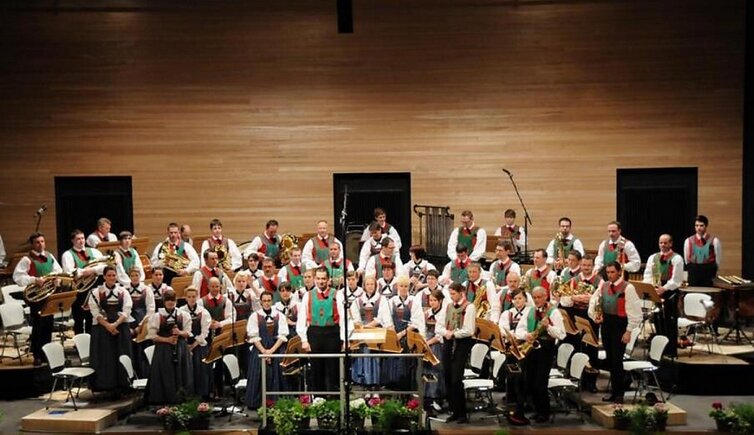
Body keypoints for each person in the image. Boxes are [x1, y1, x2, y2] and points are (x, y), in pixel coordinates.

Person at [588, 262, 642, 403]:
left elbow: (635, 312)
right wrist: (595, 316)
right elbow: (594, 301)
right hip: (607, 324)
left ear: (619, 272)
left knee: (617, 360)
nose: (610, 275)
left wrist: (628, 331)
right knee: (610, 359)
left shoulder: (628, 288)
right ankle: (615, 390)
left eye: (612, 272)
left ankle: (619, 394)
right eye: (608, 272)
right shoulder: (604, 286)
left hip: (620, 325)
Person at [514, 286, 566, 423]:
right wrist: (526, 335)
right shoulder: (529, 310)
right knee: (529, 381)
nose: (537, 300)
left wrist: (548, 326)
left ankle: (544, 412)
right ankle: (536, 410)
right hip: (531, 349)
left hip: (545, 350)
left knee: (540, 383)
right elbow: (519, 329)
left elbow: (561, 334)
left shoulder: (554, 312)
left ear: (545, 296)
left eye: (539, 297)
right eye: (535, 297)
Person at [13, 232, 63, 365]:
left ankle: (46, 354)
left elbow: (58, 271)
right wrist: (34, 280)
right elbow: (17, 277)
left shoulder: (49, 256)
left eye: (42, 241)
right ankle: (37, 355)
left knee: (48, 325)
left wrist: (57, 279)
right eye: (37, 242)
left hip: (49, 295)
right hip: (36, 297)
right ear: (32, 244)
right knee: (38, 326)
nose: (40, 244)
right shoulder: (26, 259)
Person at [296, 267, 347, 393]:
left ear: (328, 279)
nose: (321, 281)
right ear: (314, 279)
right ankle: (319, 398)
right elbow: (302, 318)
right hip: (314, 334)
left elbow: (344, 318)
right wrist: (304, 340)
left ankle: (335, 399)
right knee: (316, 368)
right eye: (318, 278)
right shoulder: (308, 295)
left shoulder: (337, 294)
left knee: (333, 368)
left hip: (332, 334)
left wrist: (345, 339)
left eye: (323, 278)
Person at [436, 282, 476, 424]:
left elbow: (469, 330)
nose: (451, 296)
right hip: (448, 343)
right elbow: (438, 326)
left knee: (456, 379)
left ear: (461, 293)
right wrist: (446, 332)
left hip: (461, 344)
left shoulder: (469, 307)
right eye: (450, 294)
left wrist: (453, 334)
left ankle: (462, 413)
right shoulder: (448, 306)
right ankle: (453, 410)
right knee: (447, 376)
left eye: (453, 294)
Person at [88, 266, 133, 392]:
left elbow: (127, 311)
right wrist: (108, 326)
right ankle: (105, 385)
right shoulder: (96, 292)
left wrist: (115, 325)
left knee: (121, 354)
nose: (112, 278)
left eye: (114, 275)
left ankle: (123, 384)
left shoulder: (124, 292)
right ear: (104, 277)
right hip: (102, 329)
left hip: (120, 327)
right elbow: (95, 313)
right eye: (109, 275)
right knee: (105, 357)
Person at [145, 289, 193, 404]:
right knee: (166, 374)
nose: (170, 302)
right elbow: (152, 336)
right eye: (168, 300)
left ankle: (181, 398)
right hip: (163, 349)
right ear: (164, 301)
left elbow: (188, 332)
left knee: (182, 373)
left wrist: (179, 332)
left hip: (180, 348)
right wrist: (167, 340)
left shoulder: (183, 315)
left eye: (172, 300)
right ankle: (165, 399)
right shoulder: (157, 316)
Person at [245, 291, 288, 409]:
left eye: (269, 301)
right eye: (264, 301)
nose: (267, 303)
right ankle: (256, 403)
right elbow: (254, 337)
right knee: (258, 375)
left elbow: (282, 336)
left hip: (276, 349)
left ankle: (276, 403)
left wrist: (271, 351)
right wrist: (264, 352)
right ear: (260, 302)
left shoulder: (279, 315)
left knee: (277, 376)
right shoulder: (254, 316)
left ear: (272, 301)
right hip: (260, 350)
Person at [559, 255, 602, 371]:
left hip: (591, 317)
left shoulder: (600, 281)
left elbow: (602, 299)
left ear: (593, 266)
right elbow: (564, 299)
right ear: (580, 265)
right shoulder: (574, 280)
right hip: (576, 315)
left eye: (589, 265)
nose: (586, 267)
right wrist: (574, 298)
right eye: (584, 265)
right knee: (577, 345)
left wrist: (591, 299)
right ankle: (576, 373)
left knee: (591, 346)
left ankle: (591, 376)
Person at [643, 234, 684, 357]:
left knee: (669, 323)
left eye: (665, 243)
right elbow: (647, 274)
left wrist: (664, 289)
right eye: (661, 242)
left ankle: (671, 351)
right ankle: (660, 350)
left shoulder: (677, 258)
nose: (663, 245)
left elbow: (676, 280)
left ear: (671, 244)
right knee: (657, 320)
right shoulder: (653, 257)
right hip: (656, 290)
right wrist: (651, 287)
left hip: (670, 292)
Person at [61, 229, 107, 334]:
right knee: (79, 319)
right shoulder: (67, 254)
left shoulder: (94, 251)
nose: (81, 241)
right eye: (78, 239)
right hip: (78, 290)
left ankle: (92, 340)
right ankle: (79, 341)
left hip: (94, 288)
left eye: (82, 238)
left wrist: (92, 270)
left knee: (93, 317)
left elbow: (104, 266)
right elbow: (69, 271)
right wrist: (84, 272)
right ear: (72, 241)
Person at [350, 275, 392, 387]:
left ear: (375, 285)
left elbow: (381, 318)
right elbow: (355, 318)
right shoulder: (358, 300)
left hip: (376, 333)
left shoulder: (382, 299)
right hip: (362, 334)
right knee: (363, 357)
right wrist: (361, 328)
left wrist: (367, 327)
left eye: (372, 284)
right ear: (364, 286)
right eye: (367, 284)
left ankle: (375, 384)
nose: (370, 286)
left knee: (374, 358)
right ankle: (365, 384)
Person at [384, 277, 425, 389]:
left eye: (406, 286)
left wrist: (401, 334)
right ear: (397, 287)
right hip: (394, 335)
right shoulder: (391, 301)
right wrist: (393, 334)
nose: (403, 288)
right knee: (393, 362)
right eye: (401, 286)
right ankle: (393, 387)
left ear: (409, 287)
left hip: (408, 336)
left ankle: (406, 390)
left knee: (406, 363)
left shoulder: (414, 301)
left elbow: (416, 322)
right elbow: (387, 319)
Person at [197, 277, 235, 398]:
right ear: (208, 287)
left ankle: (220, 391)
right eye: (212, 286)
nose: (215, 289)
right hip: (207, 336)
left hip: (221, 336)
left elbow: (231, 318)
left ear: (220, 287)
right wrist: (208, 324)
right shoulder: (201, 302)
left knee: (220, 364)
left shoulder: (226, 301)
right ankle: (208, 391)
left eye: (217, 286)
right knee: (207, 364)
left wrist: (219, 324)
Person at [179, 286, 212, 399]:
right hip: (185, 344)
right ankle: (187, 395)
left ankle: (201, 394)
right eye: (189, 297)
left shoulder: (203, 312)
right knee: (186, 370)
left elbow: (205, 332)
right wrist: (186, 345)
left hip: (199, 344)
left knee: (200, 369)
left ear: (197, 297)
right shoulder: (181, 311)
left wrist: (193, 346)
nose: (192, 299)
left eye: (194, 297)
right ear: (185, 298)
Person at [126, 267, 156, 377]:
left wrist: (141, 325)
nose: (134, 278)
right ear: (129, 277)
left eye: (136, 275)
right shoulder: (125, 289)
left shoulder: (146, 290)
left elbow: (151, 309)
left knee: (142, 349)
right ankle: (132, 375)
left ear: (140, 276)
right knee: (131, 349)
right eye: (132, 275)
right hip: (129, 322)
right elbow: (123, 309)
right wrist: (128, 325)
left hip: (143, 322)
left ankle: (145, 375)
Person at [423, 289, 446, 415]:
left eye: (434, 300)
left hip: (437, 345)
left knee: (436, 370)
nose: (432, 303)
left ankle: (437, 398)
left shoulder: (443, 314)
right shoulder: (427, 313)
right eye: (430, 300)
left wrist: (428, 343)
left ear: (440, 301)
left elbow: (439, 335)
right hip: (427, 344)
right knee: (426, 370)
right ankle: (427, 397)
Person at [684, 215, 722, 287]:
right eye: (696, 225)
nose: (699, 228)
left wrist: (714, 269)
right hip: (694, 271)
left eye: (701, 225)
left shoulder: (714, 240)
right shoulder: (688, 240)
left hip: (708, 271)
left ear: (706, 226)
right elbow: (687, 259)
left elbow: (718, 258)